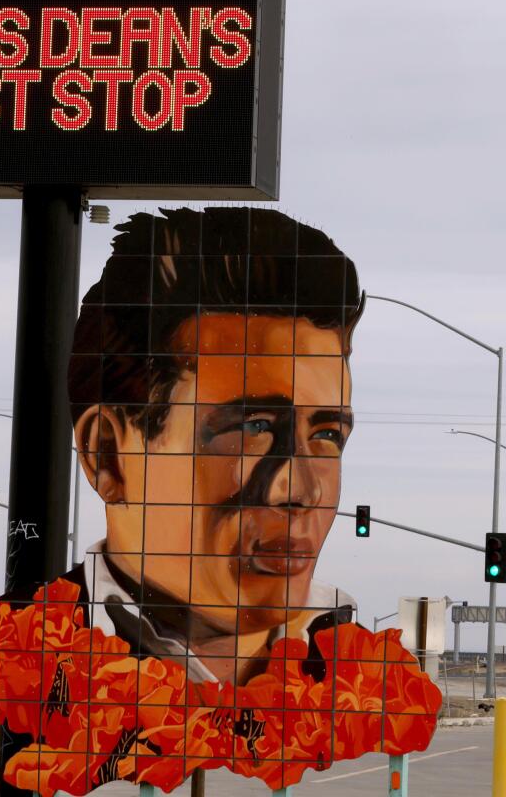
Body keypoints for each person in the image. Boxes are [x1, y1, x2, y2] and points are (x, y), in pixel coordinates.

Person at [63, 206, 364, 686]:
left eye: (327, 435)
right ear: (108, 456)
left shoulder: (355, 671)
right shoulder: (33, 654)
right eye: (252, 428)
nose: (300, 489)